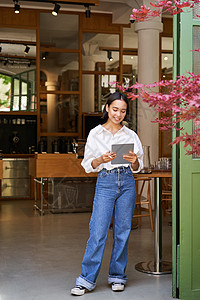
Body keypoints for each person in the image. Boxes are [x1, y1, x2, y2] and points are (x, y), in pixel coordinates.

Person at [71, 92, 143, 296]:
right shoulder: (96, 133)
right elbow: (88, 165)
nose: (118, 114)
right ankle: (86, 280)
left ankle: (117, 276)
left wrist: (133, 160)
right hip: (106, 181)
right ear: (106, 108)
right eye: (115, 109)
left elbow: (139, 165)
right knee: (98, 231)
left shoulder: (130, 135)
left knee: (122, 231)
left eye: (123, 111)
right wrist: (101, 159)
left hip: (127, 181)